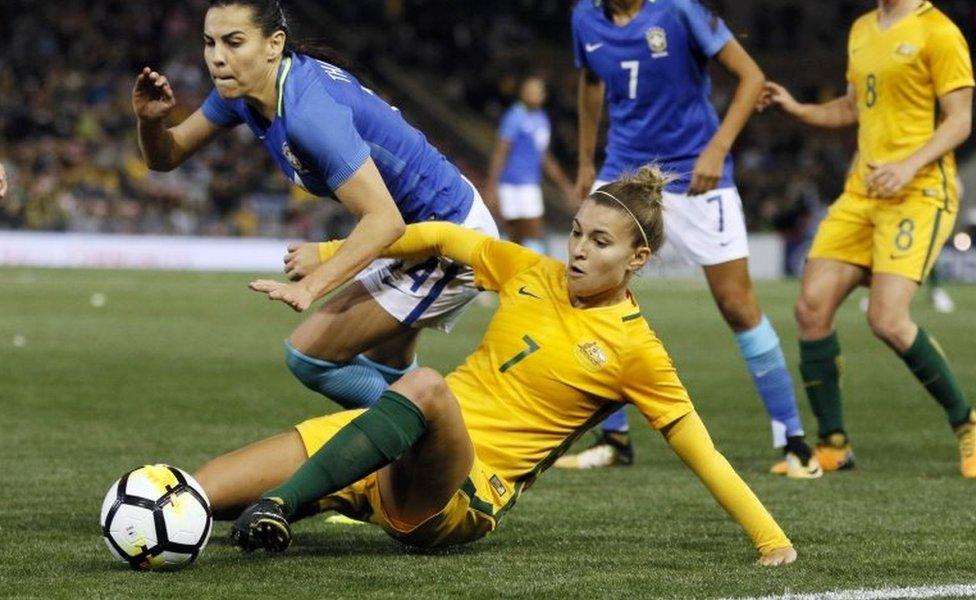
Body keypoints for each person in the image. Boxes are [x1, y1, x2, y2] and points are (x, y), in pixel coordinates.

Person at [197, 167, 797, 566]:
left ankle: (283, 504)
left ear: (638, 258)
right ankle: (232, 507)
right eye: (577, 232)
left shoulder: (638, 352)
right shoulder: (531, 272)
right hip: (393, 440)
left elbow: (704, 452)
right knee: (190, 496)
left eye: (601, 242)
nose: (580, 250)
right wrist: (331, 253)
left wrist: (772, 540)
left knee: (425, 384)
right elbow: (437, 235)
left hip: (458, 496)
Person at [133, 0, 497, 411]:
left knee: (309, 356)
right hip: (419, 230)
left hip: (448, 237)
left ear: (274, 44)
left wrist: (313, 283)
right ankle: (424, 459)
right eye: (209, 42)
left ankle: (437, 441)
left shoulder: (309, 113)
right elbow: (166, 156)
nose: (217, 57)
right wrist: (150, 121)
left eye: (234, 42)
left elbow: (383, 221)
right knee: (387, 367)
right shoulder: (241, 94)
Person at [563, 0, 819, 478]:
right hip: (625, 171)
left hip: (697, 176)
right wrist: (584, 162)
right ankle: (614, 438)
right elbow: (591, 83)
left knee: (737, 305)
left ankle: (795, 442)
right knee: (585, 295)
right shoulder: (585, 17)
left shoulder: (678, 10)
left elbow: (752, 78)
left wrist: (717, 150)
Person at [758, 0, 974, 477]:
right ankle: (833, 444)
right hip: (863, 191)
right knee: (811, 309)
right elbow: (853, 107)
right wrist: (798, 108)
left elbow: (960, 119)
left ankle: (968, 425)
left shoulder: (937, 32)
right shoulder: (861, 29)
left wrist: (908, 165)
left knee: (887, 319)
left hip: (918, 191)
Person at [484, 75, 575, 255]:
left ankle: (525, 275)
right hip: (510, 185)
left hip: (529, 185)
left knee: (533, 234)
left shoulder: (542, 119)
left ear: (543, 95)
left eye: (537, 91)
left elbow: (544, 157)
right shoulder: (514, 116)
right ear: (522, 93)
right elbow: (501, 151)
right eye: (529, 90)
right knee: (516, 236)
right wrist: (491, 186)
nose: (533, 94)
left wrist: (566, 186)